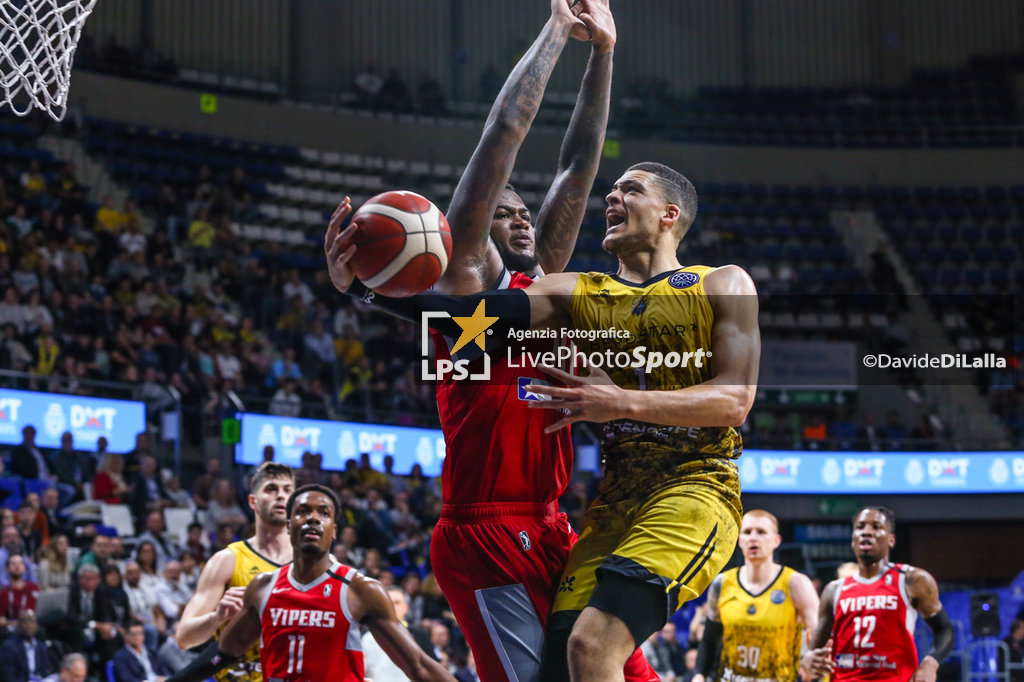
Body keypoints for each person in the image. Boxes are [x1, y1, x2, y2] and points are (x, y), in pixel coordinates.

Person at [330, 159, 760, 682]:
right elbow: (469, 319)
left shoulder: (723, 282)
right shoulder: (575, 291)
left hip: (694, 489)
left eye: (630, 190)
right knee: (563, 665)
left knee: (592, 644)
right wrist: (362, 289)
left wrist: (621, 402)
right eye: (612, 191)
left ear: (670, 214)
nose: (612, 198)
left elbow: (733, 401)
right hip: (614, 504)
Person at [327, 3, 657, 681]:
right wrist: (559, 30)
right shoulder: (462, 280)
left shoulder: (544, 287)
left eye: (524, 212)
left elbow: (576, 169)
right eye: (505, 213)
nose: (523, 219)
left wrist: (604, 56)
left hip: (550, 523)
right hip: (483, 531)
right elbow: (503, 134)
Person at [168, 485, 457, 682]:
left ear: (334, 531)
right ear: (289, 525)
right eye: (304, 512)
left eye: (324, 513)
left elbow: (417, 665)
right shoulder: (263, 588)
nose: (313, 519)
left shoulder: (361, 590)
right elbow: (224, 653)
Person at [801, 507, 955, 682]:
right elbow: (815, 653)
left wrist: (931, 663)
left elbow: (945, 630)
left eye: (876, 527)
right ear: (853, 539)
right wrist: (809, 661)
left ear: (891, 540)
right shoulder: (833, 590)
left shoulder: (912, 580)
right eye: (860, 527)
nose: (866, 532)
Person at [175, 462, 294, 682]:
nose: (281, 496)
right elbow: (184, 638)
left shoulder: (316, 565)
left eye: (287, 490)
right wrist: (217, 617)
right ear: (253, 502)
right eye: (271, 489)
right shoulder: (227, 560)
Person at [693, 510, 819, 682]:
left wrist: (812, 660)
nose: (753, 538)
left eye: (761, 532)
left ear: (776, 540)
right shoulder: (722, 583)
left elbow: (820, 638)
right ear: (739, 541)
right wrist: (699, 675)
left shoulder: (796, 583)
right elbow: (709, 639)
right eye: (747, 532)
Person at [0, 611, 53, 682]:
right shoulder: (9, 647)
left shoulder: (41, 647)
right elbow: (8, 676)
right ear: (18, 625)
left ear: (37, 626)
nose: (28, 624)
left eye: (32, 621)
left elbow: (46, 672)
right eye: (25, 621)